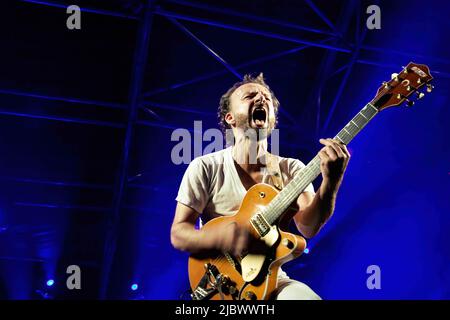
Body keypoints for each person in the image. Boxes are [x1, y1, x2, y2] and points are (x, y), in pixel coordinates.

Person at [170, 73, 350, 300]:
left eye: (266, 98)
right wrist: (219, 237)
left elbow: (308, 228)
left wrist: (331, 182)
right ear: (230, 118)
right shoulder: (205, 166)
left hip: (272, 279)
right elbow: (179, 234)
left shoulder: (292, 169)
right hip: (219, 281)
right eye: (250, 96)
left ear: (273, 119)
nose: (261, 99)